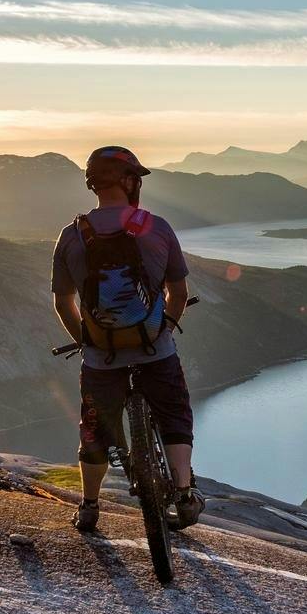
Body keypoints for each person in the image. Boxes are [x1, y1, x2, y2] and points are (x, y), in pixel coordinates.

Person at [51, 145, 204, 533]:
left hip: (100, 357)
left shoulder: (72, 235)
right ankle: (184, 493)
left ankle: (88, 506)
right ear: (130, 181)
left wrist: (89, 341)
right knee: (174, 415)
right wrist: (162, 331)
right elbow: (179, 294)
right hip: (156, 350)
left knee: (94, 428)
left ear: (94, 185)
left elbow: (63, 303)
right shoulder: (156, 227)